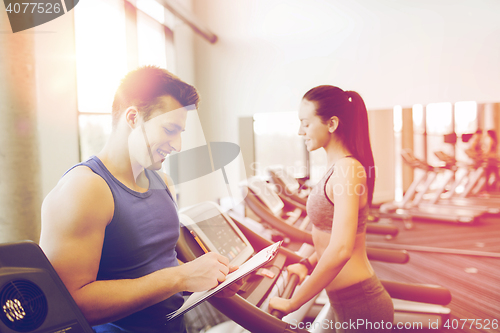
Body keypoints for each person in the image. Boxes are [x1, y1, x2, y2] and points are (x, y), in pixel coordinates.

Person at [39, 66, 237, 333]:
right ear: (133, 117)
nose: (177, 145)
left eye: (180, 133)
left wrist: (207, 280)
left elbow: (156, 264)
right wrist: (180, 277)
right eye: (169, 129)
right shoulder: (85, 189)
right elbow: (68, 303)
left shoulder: (162, 182)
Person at [268, 86, 394, 332]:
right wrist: (306, 263)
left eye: (305, 123)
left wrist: (294, 302)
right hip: (344, 303)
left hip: (362, 306)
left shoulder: (348, 169)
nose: (299, 131)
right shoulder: (337, 167)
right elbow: (331, 238)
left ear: (332, 123)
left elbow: (342, 249)